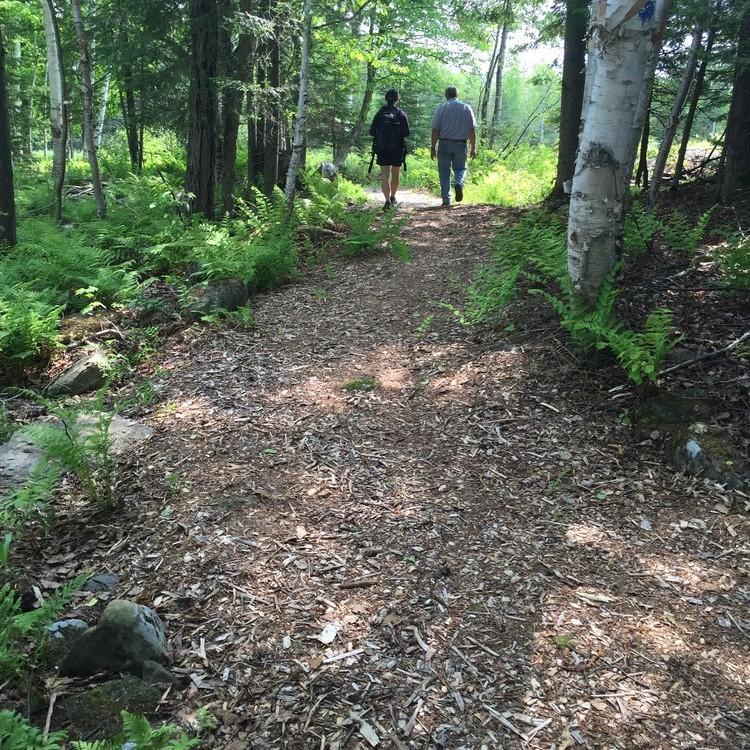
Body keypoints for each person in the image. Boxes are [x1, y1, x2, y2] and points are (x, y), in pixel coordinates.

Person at [430, 86, 477, 207]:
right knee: (461, 168)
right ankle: (459, 183)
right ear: (457, 94)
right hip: (461, 144)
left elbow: (435, 129)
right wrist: (473, 147)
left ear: (446, 95)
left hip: (444, 143)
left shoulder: (442, 108)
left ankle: (446, 200)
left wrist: (432, 147)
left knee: (444, 171)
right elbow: (472, 130)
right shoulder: (466, 108)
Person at [369, 89, 410, 211]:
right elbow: (407, 133)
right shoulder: (400, 114)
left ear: (386, 98)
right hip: (397, 149)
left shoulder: (380, 113)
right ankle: (393, 197)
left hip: (382, 149)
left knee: (385, 175)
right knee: (395, 174)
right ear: (397, 99)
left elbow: (371, 131)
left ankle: (386, 201)